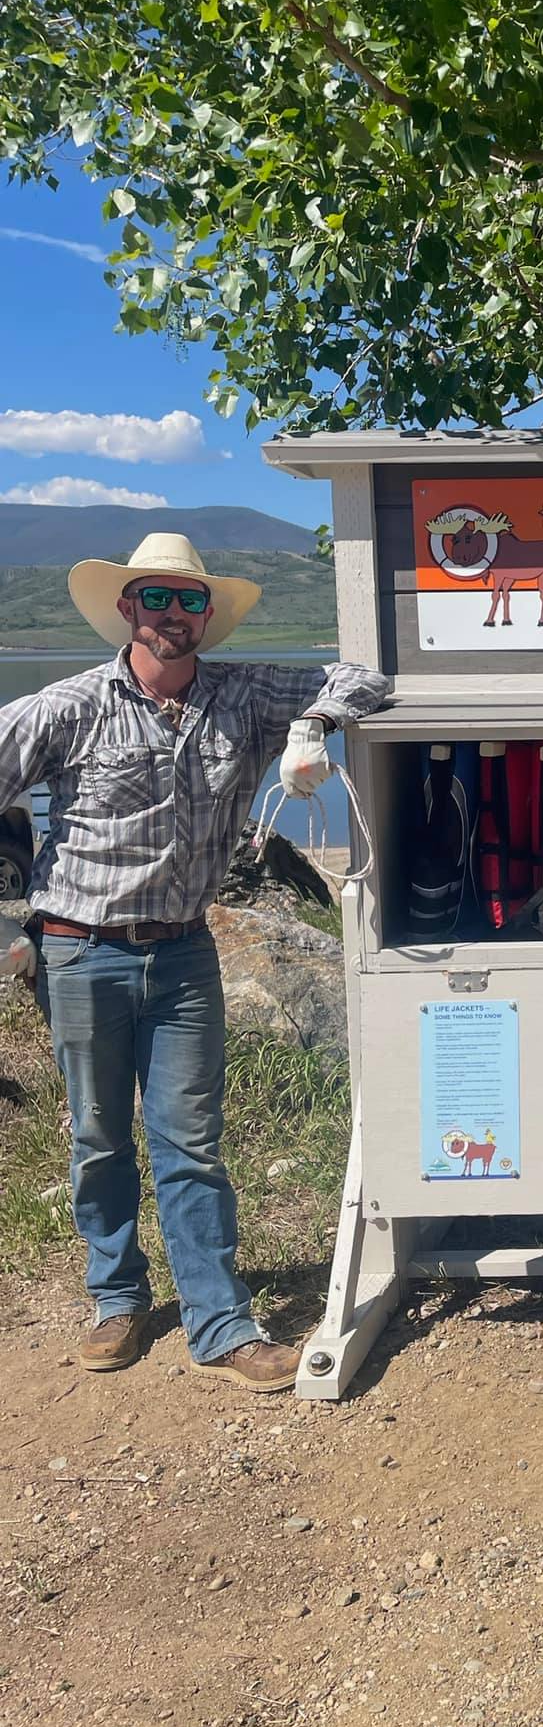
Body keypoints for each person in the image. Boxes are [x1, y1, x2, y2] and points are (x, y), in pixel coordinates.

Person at [0, 531, 387, 1391]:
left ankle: (220, 1323)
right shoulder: (64, 706)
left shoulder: (247, 694)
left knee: (192, 1144)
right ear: (127, 608)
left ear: (209, 616)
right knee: (98, 1137)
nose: (174, 614)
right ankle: (116, 1299)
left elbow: (368, 680)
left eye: (191, 600)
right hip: (78, 953)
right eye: (157, 598)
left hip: (182, 955)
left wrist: (313, 725)